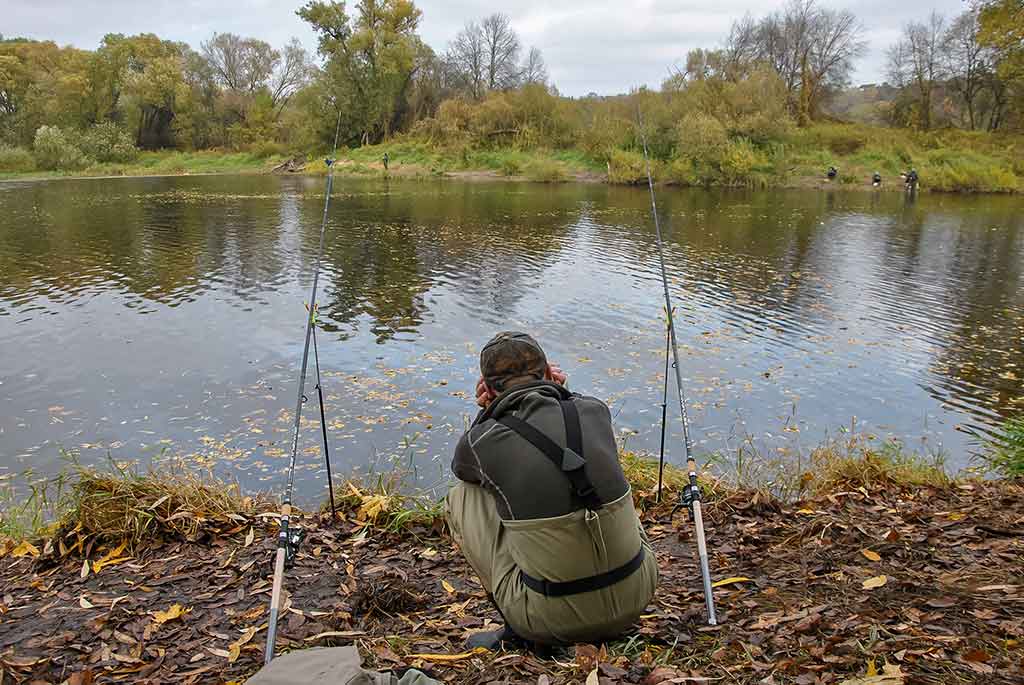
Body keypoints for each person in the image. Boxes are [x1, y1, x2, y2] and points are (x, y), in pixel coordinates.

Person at [446, 332, 658, 649]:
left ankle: (516, 628)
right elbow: (567, 426)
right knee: (596, 478)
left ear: (488, 390)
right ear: (549, 374)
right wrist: (563, 392)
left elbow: (464, 470)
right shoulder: (595, 411)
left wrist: (487, 412)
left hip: (548, 621)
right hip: (638, 594)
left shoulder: (481, 440)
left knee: (462, 496)